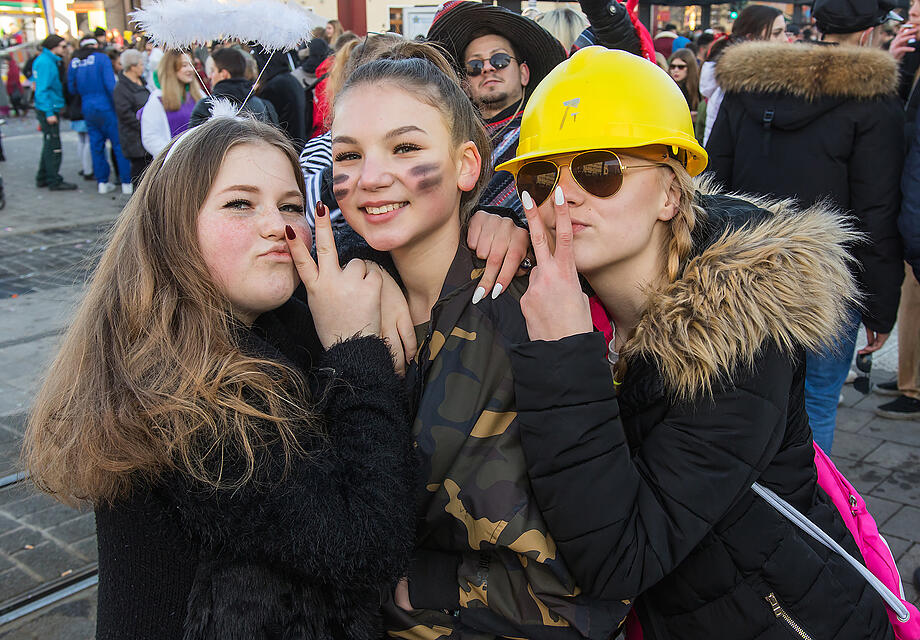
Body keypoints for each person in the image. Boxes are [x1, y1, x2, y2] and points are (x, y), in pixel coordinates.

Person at [495, 46, 894, 640]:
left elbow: (619, 558)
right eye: (540, 177)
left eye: (599, 170)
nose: (563, 196)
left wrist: (563, 354)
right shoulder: (563, 294)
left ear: (671, 195)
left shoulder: (739, 334)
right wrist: (492, 222)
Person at [23, 115, 417, 639]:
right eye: (240, 204)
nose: (277, 226)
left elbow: (333, 253)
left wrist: (373, 260)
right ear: (172, 228)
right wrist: (356, 348)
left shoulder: (266, 326)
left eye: (291, 206)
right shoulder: (173, 392)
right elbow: (366, 545)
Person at [330, 41, 629, 639]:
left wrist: (413, 584)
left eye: (405, 147)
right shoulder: (341, 301)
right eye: (348, 154)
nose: (370, 178)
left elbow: (584, 588)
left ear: (468, 165)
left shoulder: (529, 313)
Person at [706, 0, 905, 451]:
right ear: (869, 33)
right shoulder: (872, 100)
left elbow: (715, 184)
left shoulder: (750, 83)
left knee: (740, 402)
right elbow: (877, 210)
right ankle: (808, 496)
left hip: (746, 270)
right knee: (815, 403)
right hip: (827, 280)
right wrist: (879, 306)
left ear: (816, 24)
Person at [699, 5, 786, 145]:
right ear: (751, 37)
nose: (785, 40)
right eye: (776, 33)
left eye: (785, 32)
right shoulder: (733, 82)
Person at [68, 36, 133, 195]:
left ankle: (102, 183)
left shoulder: (75, 61)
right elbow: (110, 85)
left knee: (96, 145)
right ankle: (126, 182)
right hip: (106, 106)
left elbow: (71, 88)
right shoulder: (101, 58)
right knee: (118, 144)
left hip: (87, 106)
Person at [189, 47, 278, 127]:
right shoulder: (264, 106)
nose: (210, 76)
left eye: (213, 71)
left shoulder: (206, 107)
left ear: (224, 74)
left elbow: (194, 139)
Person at [33, 34, 77, 191]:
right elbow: (42, 89)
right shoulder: (46, 62)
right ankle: (53, 180)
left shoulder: (46, 60)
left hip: (49, 106)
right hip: (49, 108)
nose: (65, 49)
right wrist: (49, 112)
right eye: (63, 46)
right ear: (54, 47)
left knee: (49, 143)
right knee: (53, 145)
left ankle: (43, 176)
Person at [140, 50, 203, 157]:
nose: (190, 69)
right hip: (176, 161)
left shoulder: (198, 94)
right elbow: (150, 137)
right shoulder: (158, 99)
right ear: (171, 68)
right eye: (184, 65)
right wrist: (174, 155)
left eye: (191, 64)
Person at [113, 48, 152, 186]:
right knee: (139, 174)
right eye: (141, 64)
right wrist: (145, 125)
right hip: (134, 138)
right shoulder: (121, 88)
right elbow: (125, 114)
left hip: (145, 135)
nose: (143, 67)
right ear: (132, 67)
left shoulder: (141, 81)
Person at [667, 48, 699, 113]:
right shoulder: (666, 87)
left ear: (690, 67)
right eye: (673, 66)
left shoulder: (698, 88)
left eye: (681, 67)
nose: (676, 70)